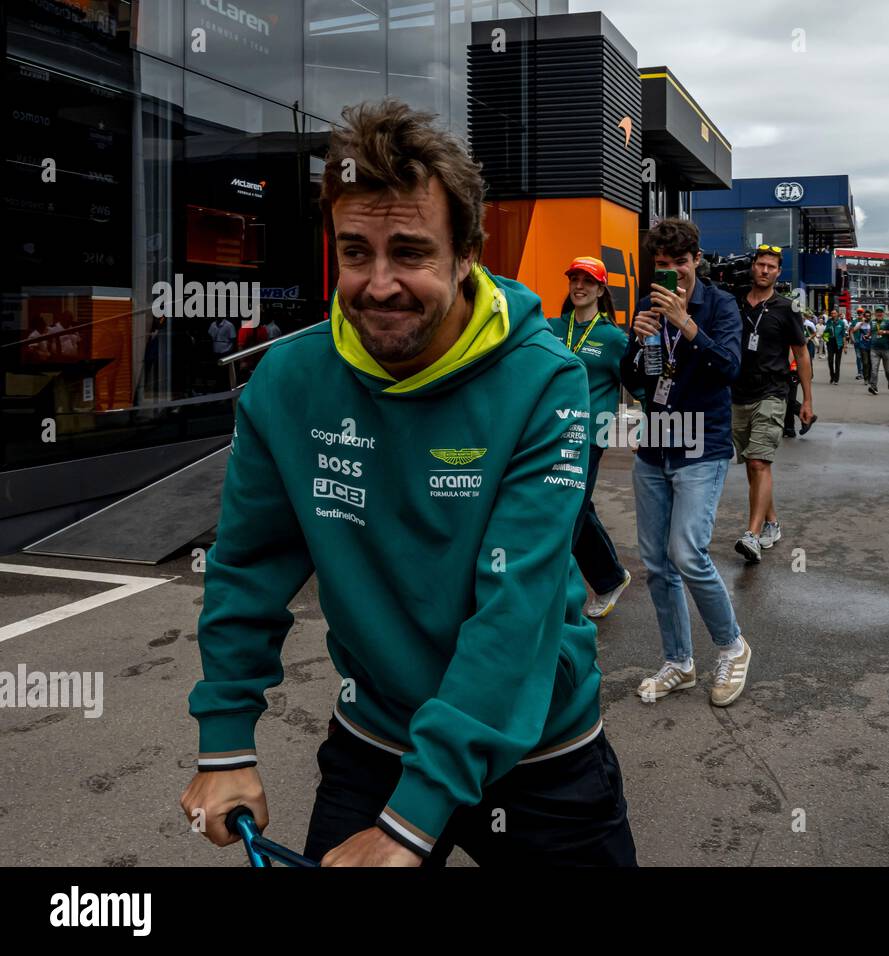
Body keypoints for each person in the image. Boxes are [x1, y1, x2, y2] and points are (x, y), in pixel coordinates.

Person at [181, 99, 636, 867]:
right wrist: (225, 742)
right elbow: (249, 565)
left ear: (466, 255)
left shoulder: (544, 379)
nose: (379, 284)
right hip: (377, 734)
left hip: (542, 748)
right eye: (356, 251)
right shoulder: (290, 383)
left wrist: (411, 824)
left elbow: (514, 610)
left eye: (411, 253)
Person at [620, 217, 751, 707]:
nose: (673, 275)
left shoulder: (720, 306)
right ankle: (679, 661)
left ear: (696, 260)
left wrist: (687, 326)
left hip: (702, 446)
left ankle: (732, 646)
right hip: (654, 443)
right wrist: (636, 341)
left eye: (680, 264)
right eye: (662, 266)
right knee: (656, 564)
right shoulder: (647, 304)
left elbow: (730, 370)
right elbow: (635, 379)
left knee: (687, 553)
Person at [548, 255, 633, 618]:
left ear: (600, 289)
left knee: (569, 509)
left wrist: (647, 428)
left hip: (591, 435)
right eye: (574, 280)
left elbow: (636, 383)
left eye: (587, 281)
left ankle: (552, 597)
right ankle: (610, 577)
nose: (579, 286)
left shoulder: (613, 338)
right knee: (578, 505)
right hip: (551, 430)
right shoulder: (552, 327)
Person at [731, 245, 813, 562]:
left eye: (771, 267)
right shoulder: (735, 304)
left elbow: (801, 353)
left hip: (774, 392)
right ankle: (772, 522)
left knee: (758, 462)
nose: (765, 270)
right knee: (753, 465)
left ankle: (751, 535)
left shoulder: (787, 308)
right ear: (753, 267)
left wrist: (807, 398)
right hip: (738, 394)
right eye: (761, 264)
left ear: (779, 273)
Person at [866, 307, 889, 394]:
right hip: (874, 349)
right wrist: (867, 335)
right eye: (877, 312)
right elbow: (872, 331)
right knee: (874, 368)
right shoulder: (872, 322)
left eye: (881, 312)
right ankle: (873, 387)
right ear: (875, 313)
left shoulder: (888, 322)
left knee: (887, 370)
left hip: (886, 349)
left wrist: (884, 332)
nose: (879, 313)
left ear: (883, 313)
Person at [824, 309, 847, 384]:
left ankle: (836, 379)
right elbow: (826, 332)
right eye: (832, 313)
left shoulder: (841, 322)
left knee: (837, 362)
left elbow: (843, 335)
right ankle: (832, 376)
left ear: (837, 314)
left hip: (839, 343)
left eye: (834, 313)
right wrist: (826, 339)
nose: (833, 314)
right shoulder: (829, 321)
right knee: (830, 360)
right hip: (830, 342)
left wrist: (845, 346)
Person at [852, 309, 872, 382]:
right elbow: (852, 330)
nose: (859, 314)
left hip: (870, 344)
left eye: (868, 316)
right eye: (858, 313)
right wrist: (853, 340)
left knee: (869, 361)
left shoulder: (872, 323)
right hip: (860, 344)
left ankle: (867, 375)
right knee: (861, 359)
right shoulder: (856, 322)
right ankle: (861, 374)